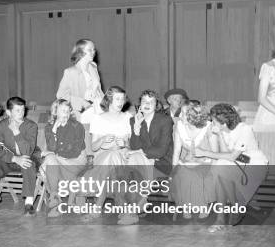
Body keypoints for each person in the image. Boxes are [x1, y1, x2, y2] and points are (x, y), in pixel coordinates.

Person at [194, 104, 268, 232]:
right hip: (238, 164)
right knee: (219, 168)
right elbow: (225, 153)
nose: (212, 123)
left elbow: (232, 156)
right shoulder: (224, 130)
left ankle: (226, 215)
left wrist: (204, 152)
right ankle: (227, 214)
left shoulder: (244, 129)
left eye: (214, 121)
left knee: (219, 168)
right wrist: (220, 135)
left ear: (223, 121)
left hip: (255, 166)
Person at [0, 96, 40, 220]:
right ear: (8, 112)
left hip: (29, 157)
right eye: (17, 111)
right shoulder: (0, 126)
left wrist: (16, 131)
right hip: (10, 160)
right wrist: (14, 159)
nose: (21, 113)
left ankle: (29, 204)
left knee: (28, 163)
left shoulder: (31, 126)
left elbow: (27, 151)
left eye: (23, 110)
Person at [118, 90, 174, 225]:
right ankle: (134, 207)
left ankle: (131, 210)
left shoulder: (165, 120)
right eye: (144, 101)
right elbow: (135, 146)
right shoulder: (134, 120)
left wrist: (139, 152)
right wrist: (136, 128)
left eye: (151, 102)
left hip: (162, 162)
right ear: (140, 104)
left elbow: (160, 151)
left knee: (135, 161)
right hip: (143, 161)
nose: (147, 104)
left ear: (157, 105)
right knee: (135, 161)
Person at [79, 86, 132, 214]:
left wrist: (124, 143)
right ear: (109, 100)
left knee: (113, 157)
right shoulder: (98, 118)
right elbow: (94, 147)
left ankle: (99, 204)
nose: (120, 102)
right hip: (102, 156)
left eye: (122, 99)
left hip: (122, 156)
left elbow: (130, 146)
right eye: (117, 99)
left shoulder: (127, 117)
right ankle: (121, 205)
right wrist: (102, 140)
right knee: (110, 158)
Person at [41, 99, 87, 217]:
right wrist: (54, 131)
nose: (65, 114)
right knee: (51, 160)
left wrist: (54, 155)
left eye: (67, 111)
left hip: (77, 160)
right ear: (55, 112)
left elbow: (75, 152)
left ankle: (55, 205)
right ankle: (55, 198)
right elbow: (51, 148)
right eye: (62, 111)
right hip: (59, 162)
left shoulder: (77, 126)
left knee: (49, 161)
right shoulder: (49, 128)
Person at [170, 102, 215, 219]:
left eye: (185, 114)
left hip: (207, 161)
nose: (181, 116)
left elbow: (215, 152)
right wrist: (173, 170)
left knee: (197, 174)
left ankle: (203, 205)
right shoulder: (179, 127)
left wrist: (205, 161)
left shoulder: (207, 127)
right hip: (188, 161)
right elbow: (176, 152)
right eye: (181, 113)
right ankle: (186, 205)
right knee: (181, 173)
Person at [56, 38, 103, 116]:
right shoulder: (70, 72)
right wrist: (82, 103)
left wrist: (107, 104)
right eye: (89, 50)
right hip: (80, 111)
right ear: (80, 52)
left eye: (94, 49)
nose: (93, 52)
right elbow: (61, 95)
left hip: (97, 107)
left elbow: (99, 91)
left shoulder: (94, 67)